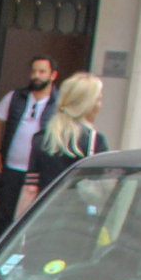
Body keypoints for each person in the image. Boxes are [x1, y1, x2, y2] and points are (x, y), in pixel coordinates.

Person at [20, 71, 108, 213]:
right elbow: (105, 190)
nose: (100, 105)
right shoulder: (95, 140)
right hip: (76, 219)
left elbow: (30, 189)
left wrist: (18, 227)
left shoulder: (41, 138)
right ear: (87, 104)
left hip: (43, 216)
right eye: (98, 99)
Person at [0, 56, 57, 228]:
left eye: (42, 71)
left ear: (53, 75)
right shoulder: (15, 97)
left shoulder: (59, 102)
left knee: (31, 218)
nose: (36, 75)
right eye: (33, 71)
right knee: (6, 213)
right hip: (12, 168)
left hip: (39, 172)